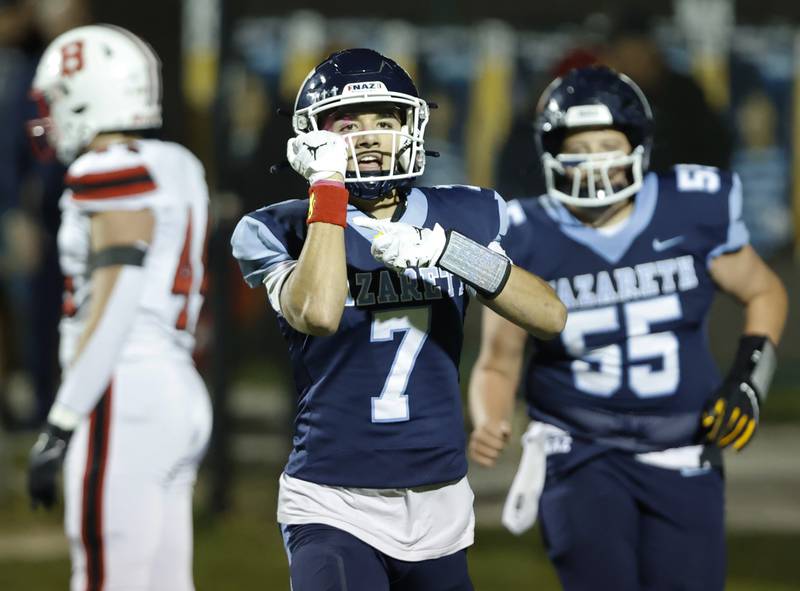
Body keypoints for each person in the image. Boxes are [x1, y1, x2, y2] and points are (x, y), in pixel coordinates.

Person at [230, 48, 566, 591]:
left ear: (410, 127)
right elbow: (317, 310)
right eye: (348, 124)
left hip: (440, 499)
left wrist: (450, 253)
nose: (367, 136)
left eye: (384, 122)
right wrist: (328, 191)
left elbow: (550, 316)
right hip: (333, 498)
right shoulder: (279, 228)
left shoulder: (462, 216)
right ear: (312, 137)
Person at [468, 66, 788, 591]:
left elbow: (764, 290)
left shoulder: (689, 206)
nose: (594, 160)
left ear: (638, 146)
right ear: (551, 152)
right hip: (580, 445)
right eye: (580, 145)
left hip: (683, 443)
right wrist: (490, 417)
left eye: (607, 142)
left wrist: (749, 380)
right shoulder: (526, 233)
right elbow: (498, 361)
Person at [26, 25, 212, 591]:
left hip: (124, 390)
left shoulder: (103, 169)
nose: (49, 117)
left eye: (58, 100)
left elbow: (117, 298)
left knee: (107, 578)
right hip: (178, 389)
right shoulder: (177, 162)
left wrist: (61, 420)